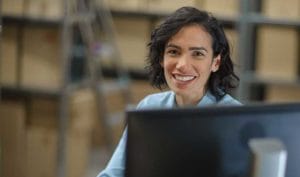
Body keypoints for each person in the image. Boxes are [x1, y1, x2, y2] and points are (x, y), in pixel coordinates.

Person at [97, 6, 241, 177]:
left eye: (197, 54)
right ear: (161, 59)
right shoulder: (150, 108)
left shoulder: (234, 118)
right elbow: (114, 174)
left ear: (215, 62)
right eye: (174, 52)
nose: (182, 65)